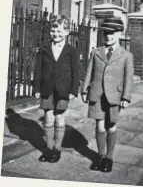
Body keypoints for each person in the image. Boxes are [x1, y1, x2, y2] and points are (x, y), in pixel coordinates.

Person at [81, 16, 134, 173]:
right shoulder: (96, 52)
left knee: (111, 125)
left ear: (120, 34)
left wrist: (125, 97)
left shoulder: (126, 55)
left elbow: (128, 78)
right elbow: (88, 72)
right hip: (97, 94)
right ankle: (100, 156)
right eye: (106, 33)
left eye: (112, 33)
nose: (109, 36)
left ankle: (109, 158)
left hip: (114, 97)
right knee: (99, 125)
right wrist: (84, 89)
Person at [33, 15, 79, 163]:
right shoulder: (44, 49)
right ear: (49, 31)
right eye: (53, 31)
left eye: (60, 31)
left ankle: (57, 150)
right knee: (48, 118)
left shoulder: (71, 51)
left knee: (59, 118)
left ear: (67, 32)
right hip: (47, 89)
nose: (56, 34)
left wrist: (73, 91)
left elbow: (76, 72)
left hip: (63, 90)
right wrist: (37, 88)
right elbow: (38, 69)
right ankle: (48, 148)